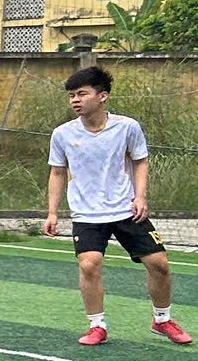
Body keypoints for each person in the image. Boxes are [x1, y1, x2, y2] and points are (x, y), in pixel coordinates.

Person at [44, 64, 189, 346]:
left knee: (159, 264)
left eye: (82, 94)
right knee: (90, 264)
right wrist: (52, 212)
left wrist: (140, 196)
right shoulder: (62, 134)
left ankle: (162, 320)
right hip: (86, 213)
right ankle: (97, 326)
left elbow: (140, 161)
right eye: (71, 95)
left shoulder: (127, 127)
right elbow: (57, 172)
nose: (75, 100)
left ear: (103, 96)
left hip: (126, 209)